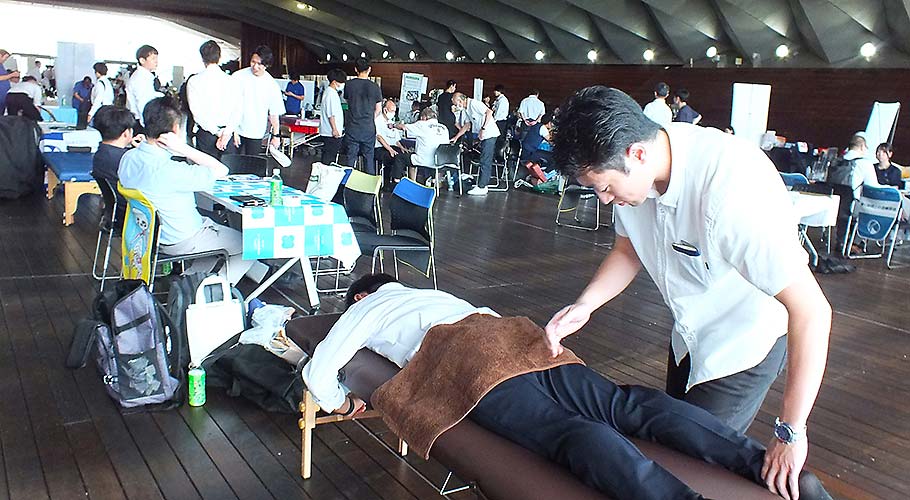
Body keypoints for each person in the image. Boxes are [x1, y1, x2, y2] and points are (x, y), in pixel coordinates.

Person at [303, 273, 833, 500]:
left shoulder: (369, 306)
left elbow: (317, 370)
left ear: (360, 298)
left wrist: (342, 399)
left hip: (468, 360)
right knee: (631, 405)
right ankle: (763, 465)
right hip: (519, 336)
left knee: (567, 435)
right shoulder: (436, 293)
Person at [544, 86, 832, 500]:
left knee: (690, 467)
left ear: (636, 154)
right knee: (668, 441)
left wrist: (790, 431)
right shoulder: (635, 174)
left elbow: (812, 310)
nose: (605, 201)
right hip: (688, 337)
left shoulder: (731, 188)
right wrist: (585, 305)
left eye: (604, 187)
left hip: (743, 345)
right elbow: (628, 251)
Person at [118, 97, 254, 285]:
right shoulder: (170, 171)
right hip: (182, 239)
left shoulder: (128, 158)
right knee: (250, 245)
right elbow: (222, 171)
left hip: (148, 236)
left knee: (216, 231)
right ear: (175, 130)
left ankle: (187, 283)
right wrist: (184, 149)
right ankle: (209, 292)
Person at [188, 40, 240, 159]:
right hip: (228, 135)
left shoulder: (194, 81)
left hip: (206, 134)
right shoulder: (232, 81)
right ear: (220, 56)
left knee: (207, 174)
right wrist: (226, 133)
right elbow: (237, 110)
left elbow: (197, 114)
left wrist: (218, 132)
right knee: (229, 173)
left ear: (202, 58)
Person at [232, 45, 284, 156]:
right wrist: (232, 130)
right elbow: (230, 105)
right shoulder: (238, 77)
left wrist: (276, 136)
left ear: (267, 65)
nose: (255, 66)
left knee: (252, 166)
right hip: (236, 130)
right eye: (253, 62)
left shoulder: (271, 84)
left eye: (259, 64)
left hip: (256, 132)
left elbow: (274, 113)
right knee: (233, 165)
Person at [91, 105, 139, 225]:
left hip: (113, 212)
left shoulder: (100, 153)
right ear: (126, 133)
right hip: (132, 213)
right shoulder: (127, 159)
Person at [451, 92, 500, 196]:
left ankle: (482, 186)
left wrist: (483, 129)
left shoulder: (474, 104)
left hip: (489, 133)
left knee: (485, 159)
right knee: (483, 158)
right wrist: (456, 137)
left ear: (461, 100)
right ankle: (481, 184)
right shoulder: (466, 109)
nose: (456, 106)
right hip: (483, 136)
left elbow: (489, 112)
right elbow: (467, 125)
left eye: (456, 103)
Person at [343, 57, 383, 174]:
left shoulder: (349, 85)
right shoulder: (375, 86)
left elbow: (347, 103)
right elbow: (378, 109)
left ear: (355, 69)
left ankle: (347, 185)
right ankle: (370, 188)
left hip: (352, 127)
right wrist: (370, 118)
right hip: (368, 128)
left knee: (350, 158)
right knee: (369, 158)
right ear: (369, 69)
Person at [393, 106, 450, 183]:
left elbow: (403, 127)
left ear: (424, 117)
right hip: (440, 162)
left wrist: (393, 125)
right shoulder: (444, 128)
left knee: (400, 157)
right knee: (411, 157)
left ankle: (397, 181)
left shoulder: (422, 124)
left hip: (425, 160)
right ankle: (421, 181)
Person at [126, 45, 163, 131]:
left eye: (157, 59)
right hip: (141, 121)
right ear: (142, 60)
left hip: (141, 120)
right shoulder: (141, 78)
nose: (156, 62)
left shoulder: (145, 76)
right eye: (153, 59)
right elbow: (142, 103)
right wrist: (147, 125)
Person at [374, 99, 407, 182]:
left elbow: (396, 140)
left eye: (395, 111)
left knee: (405, 155)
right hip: (380, 148)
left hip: (392, 147)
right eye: (392, 111)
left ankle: (404, 179)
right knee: (398, 157)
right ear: (385, 110)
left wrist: (402, 148)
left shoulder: (391, 122)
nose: (394, 113)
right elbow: (379, 137)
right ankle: (395, 181)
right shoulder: (377, 120)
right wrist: (390, 149)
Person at [319, 68, 347, 164]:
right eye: (341, 82)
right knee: (329, 157)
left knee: (329, 155)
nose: (342, 84)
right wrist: (334, 129)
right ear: (334, 82)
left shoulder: (331, 92)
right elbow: (331, 114)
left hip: (330, 131)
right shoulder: (330, 94)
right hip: (331, 132)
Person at [0, 49, 20, 114]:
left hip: (3, 96)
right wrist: (12, 75)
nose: (5, 60)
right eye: (5, 57)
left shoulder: (1, 65)